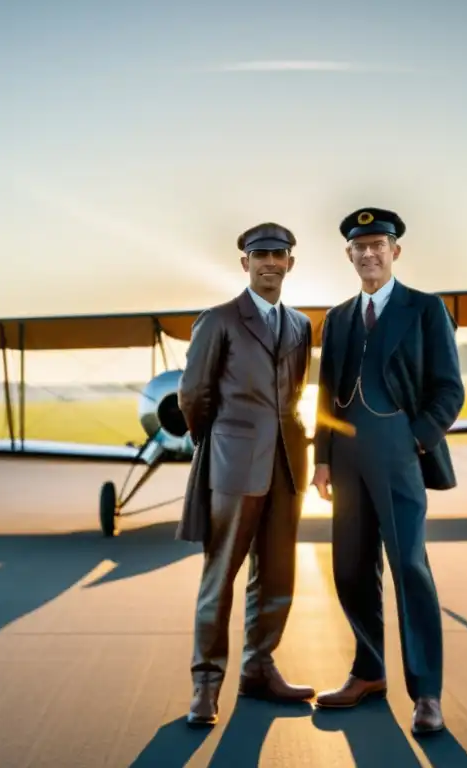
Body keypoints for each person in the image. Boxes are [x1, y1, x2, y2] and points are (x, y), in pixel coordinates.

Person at [310, 207, 465, 735]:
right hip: (347, 462)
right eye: (361, 246)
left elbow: (450, 389)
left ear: (395, 252)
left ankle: (426, 693)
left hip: (400, 454)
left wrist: (416, 439)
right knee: (350, 570)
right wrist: (323, 459)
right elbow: (326, 395)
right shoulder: (337, 319)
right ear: (349, 254)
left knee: (409, 570)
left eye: (379, 244)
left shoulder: (425, 310)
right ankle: (368, 672)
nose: (370, 253)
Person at [176, 221, 316, 727]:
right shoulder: (217, 321)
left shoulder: (300, 325)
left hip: (287, 465)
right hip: (233, 465)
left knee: (278, 575)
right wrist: (217, 443)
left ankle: (259, 670)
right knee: (221, 578)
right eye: (260, 256)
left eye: (279, 255)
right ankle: (205, 685)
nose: (270, 263)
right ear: (245, 264)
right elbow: (193, 396)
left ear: (290, 264)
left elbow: (293, 393)